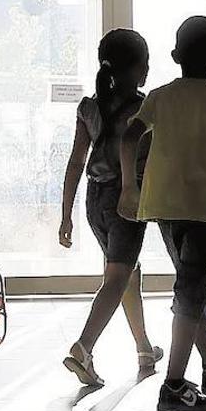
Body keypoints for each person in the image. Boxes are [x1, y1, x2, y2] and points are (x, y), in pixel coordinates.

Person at [118, 16, 206, 411]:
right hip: (203, 208)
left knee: (191, 286)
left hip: (164, 206)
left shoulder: (159, 96)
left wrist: (129, 186)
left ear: (174, 55)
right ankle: (173, 384)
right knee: (190, 291)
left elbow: (129, 137)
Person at [59, 29, 163, 386]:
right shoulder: (143, 107)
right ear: (138, 70)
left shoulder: (89, 107)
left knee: (126, 273)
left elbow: (76, 162)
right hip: (127, 199)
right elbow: (155, 159)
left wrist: (65, 216)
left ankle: (144, 348)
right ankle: (84, 348)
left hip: (94, 200)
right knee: (118, 276)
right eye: (145, 65)